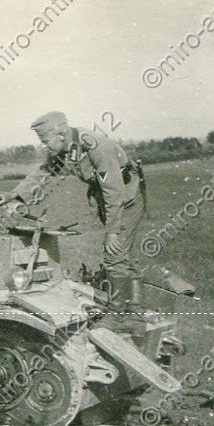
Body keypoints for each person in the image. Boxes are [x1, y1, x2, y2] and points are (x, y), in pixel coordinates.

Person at [17, 111, 146, 307]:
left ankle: (121, 316)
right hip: (108, 200)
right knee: (122, 256)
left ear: (61, 135)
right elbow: (44, 173)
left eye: (45, 141)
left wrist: (112, 231)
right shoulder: (67, 149)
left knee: (114, 255)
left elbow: (114, 192)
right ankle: (135, 307)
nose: (43, 146)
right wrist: (14, 196)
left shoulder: (95, 146)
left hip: (125, 200)